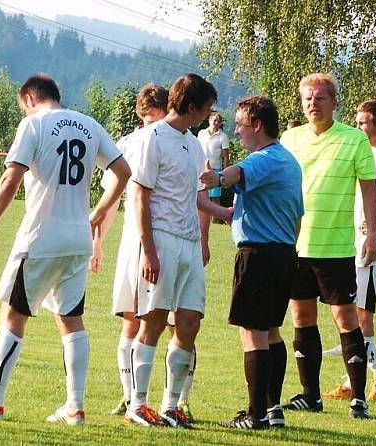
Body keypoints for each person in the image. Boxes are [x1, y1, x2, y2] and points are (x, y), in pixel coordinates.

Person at [0, 74, 131, 426]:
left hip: (41, 237)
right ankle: (74, 406)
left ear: (28, 98)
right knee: (71, 320)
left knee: (13, 317)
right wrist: (101, 210)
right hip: (77, 240)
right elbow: (123, 171)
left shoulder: (34, 125)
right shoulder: (89, 125)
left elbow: (11, 178)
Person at [122, 73, 229, 428]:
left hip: (188, 243)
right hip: (162, 239)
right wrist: (149, 251)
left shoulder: (194, 144)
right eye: (207, 107)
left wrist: (225, 213)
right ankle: (137, 404)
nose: (209, 114)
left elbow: (198, 197)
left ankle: (171, 406)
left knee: (189, 322)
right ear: (193, 106)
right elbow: (139, 195)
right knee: (152, 321)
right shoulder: (152, 138)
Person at [90, 83, 197, 421]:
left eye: (158, 115)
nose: (153, 121)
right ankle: (131, 397)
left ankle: (178, 401)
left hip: (174, 238)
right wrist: (98, 242)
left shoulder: (184, 143)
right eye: (148, 116)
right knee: (133, 318)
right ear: (141, 116)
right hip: (136, 240)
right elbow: (114, 199)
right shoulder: (131, 143)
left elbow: (197, 196)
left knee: (181, 323)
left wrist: (204, 239)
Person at [280, 73, 376, 419]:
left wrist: (371, 234)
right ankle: (310, 394)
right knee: (301, 316)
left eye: (320, 98)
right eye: (308, 98)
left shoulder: (354, 140)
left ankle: (357, 398)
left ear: (334, 102)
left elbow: (369, 190)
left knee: (344, 316)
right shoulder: (290, 138)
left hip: (336, 246)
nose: (313, 104)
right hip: (295, 245)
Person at [199, 96, 303, 429]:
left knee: (253, 334)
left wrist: (213, 178)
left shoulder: (263, 159)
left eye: (241, 125)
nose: (238, 132)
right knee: (271, 332)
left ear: (257, 125)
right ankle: (273, 409)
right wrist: (203, 204)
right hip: (284, 253)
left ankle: (255, 414)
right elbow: (235, 214)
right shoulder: (288, 160)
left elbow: (233, 174)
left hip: (258, 256)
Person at [323, 100, 376, 402]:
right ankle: (357, 377)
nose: (358, 126)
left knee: (361, 312)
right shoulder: (366, 153)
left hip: (373, 246)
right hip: (353, 243)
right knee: (352, 310)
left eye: (363, 122)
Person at [197, 111, 230, 204]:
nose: (216, 123)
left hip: (216, 170)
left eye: (219, 121)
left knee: (215, 198)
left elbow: (226, 156)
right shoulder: (201, 133)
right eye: (215, 120)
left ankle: (215, 218)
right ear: (209, 120)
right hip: (202, 169)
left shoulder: (223, 137)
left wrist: (225, 174)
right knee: (202, 196)